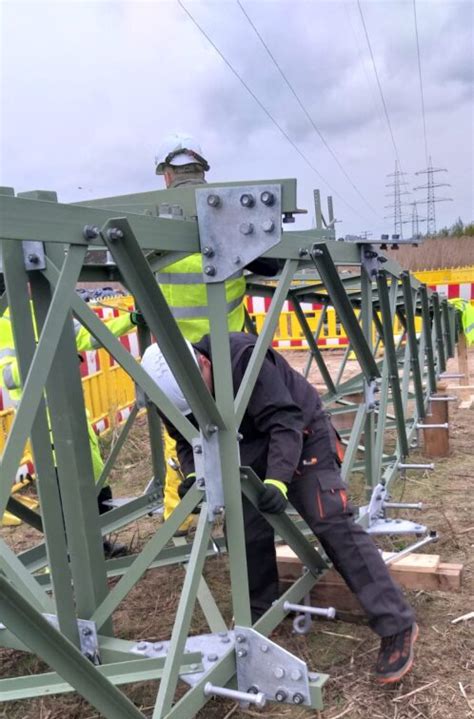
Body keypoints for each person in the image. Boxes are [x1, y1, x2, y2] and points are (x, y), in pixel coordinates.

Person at [140, 332, 418, 686]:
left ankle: (396, 623)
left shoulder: (242, 358)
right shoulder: (167, 391)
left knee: (329, 517)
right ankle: (261, 614)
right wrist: (196, 474)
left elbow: (285, 421)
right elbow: (185, 438)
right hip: (245, 447)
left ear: (204, 364)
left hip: (300, 432)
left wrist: (277, 480)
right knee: (244, 528)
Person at [136, 133, 279, 533]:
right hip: (228, 358)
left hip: (176, 361)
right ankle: (245, 511)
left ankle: (185, 518)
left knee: (183, 437)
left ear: (167, 176)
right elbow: (270, 265)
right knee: (241, 431)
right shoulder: (229, 216)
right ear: (202, 173)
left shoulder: (151, 220)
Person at [0, 300, 134, 556]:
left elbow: (89, 336)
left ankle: (98, 543)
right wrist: (51, 354)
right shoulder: (4, 324)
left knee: (96, 483)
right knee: (63, 494)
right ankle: (69, 559)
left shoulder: (40, 307)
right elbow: (8, 377)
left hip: (74, 415)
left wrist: (129, 321)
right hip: (45, 425)